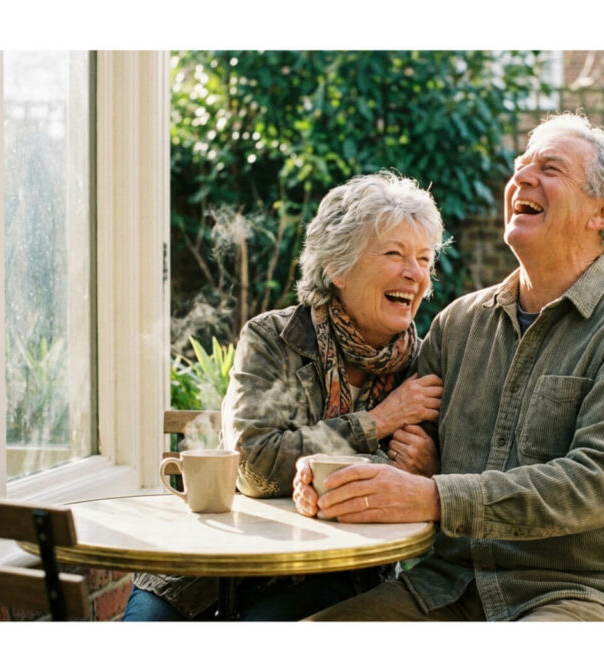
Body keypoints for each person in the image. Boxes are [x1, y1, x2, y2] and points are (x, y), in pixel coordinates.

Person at [299, 112, 604, 622]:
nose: (521, 177)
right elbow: (405, 459)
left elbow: (594, 485)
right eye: (521, 166)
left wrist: (436, 495)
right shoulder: (458, 324)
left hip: (579, 595)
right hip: (446, 587)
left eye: (549, 169)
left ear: (603, 211)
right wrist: (335, 477)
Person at [123, 170, 447, 621]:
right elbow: (253, 466)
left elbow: (442, 483)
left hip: (335, 575)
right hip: (212, 569)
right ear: (337, 267)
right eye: (394, 253)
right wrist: (377, 423)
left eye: (425, 259)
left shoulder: (427, 364)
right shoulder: (273, 339)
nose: (414, 274)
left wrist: (428, 472)